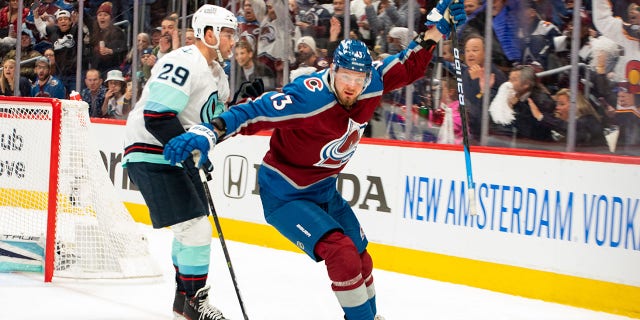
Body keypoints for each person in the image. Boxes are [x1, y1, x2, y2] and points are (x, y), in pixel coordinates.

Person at [161, 1, 466, 319]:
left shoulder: (370, 84)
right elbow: (254, 111)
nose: (351, 86)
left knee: (362, 258)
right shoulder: (308, 97)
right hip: (285, 195)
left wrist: (437, 28)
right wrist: (210, 133)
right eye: (345, 76)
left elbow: (408, 65)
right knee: (343, 254)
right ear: (333, 70)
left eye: (358, 79)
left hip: (323, 190)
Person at [122, 5, 238, 320]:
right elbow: (157, 117)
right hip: (151, 150)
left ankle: (183, 306)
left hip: (173, 152)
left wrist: (239, 109)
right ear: (209, 34)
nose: (232, 40)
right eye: (226, 33)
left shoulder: (219, 75)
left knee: (190, 230)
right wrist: (190, 156)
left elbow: (210, 130)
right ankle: (196, 306)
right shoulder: (183, 61)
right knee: (196, 229)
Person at [88, 2, 127, 75]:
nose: (102, 17)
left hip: (112, 69)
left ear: (110, 18)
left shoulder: (117, 31)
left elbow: (123, 49)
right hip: (96, 70)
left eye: (105, 15)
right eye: (100, 15)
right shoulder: (94, 31)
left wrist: (111, 51)